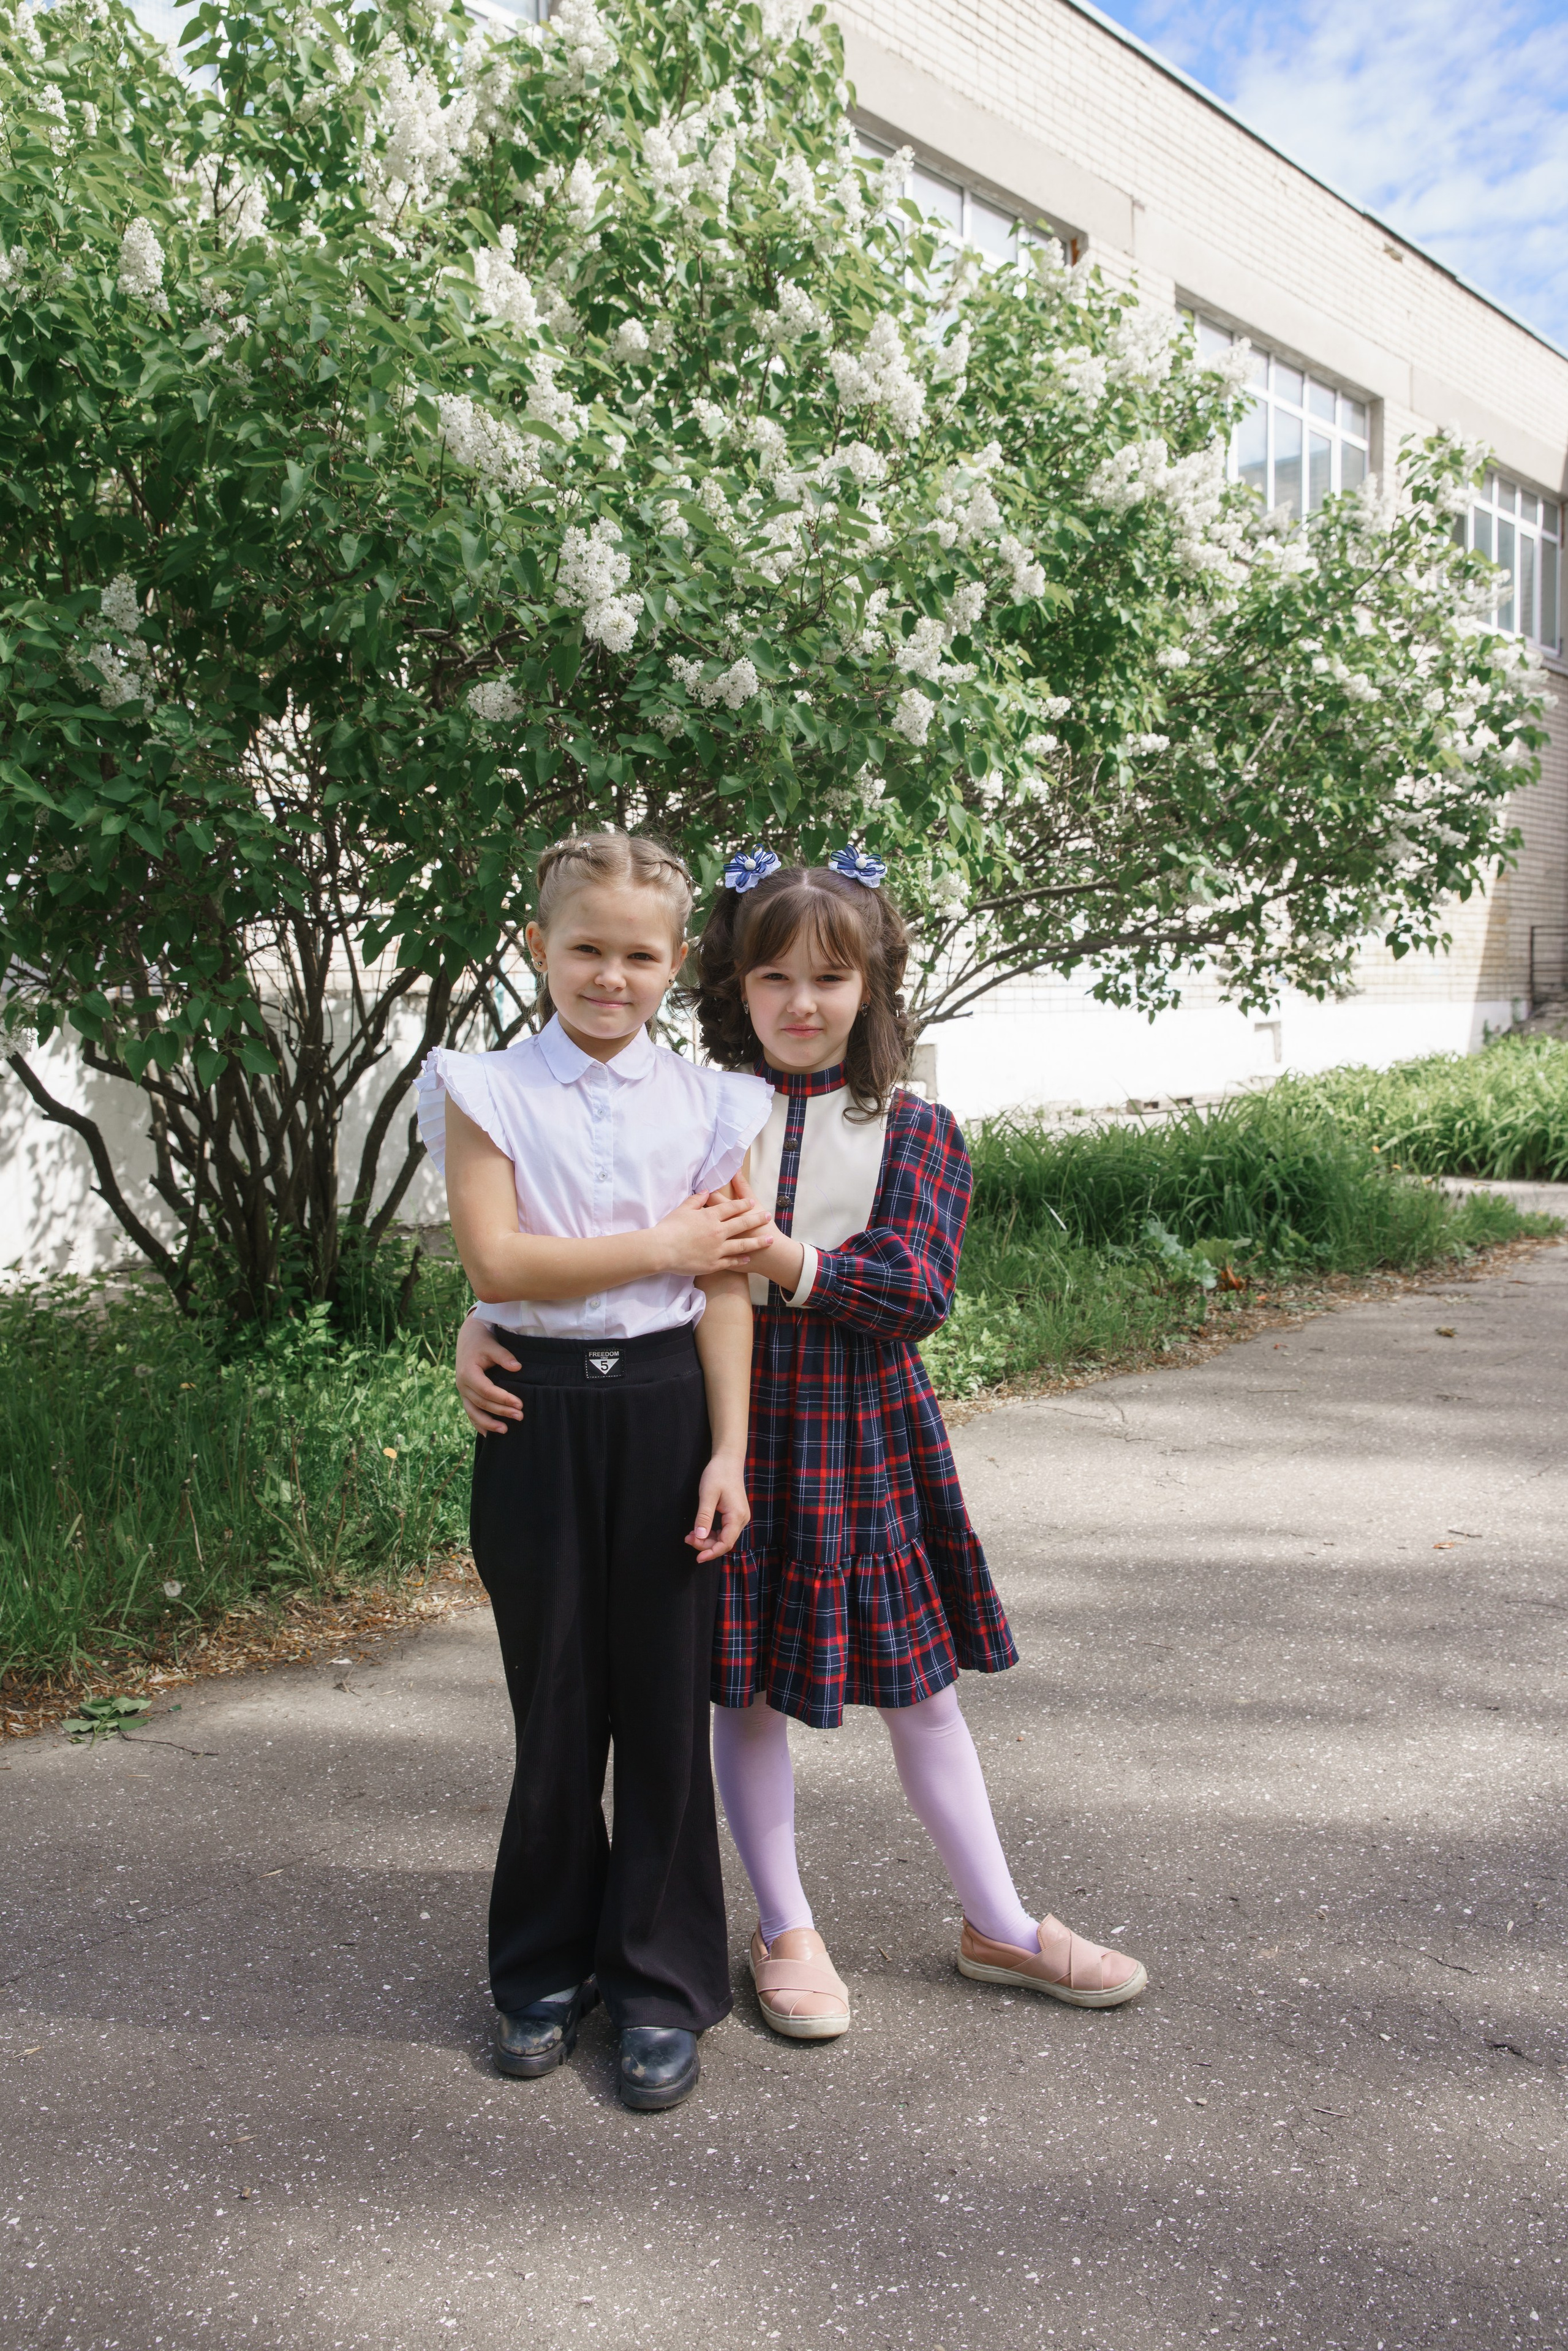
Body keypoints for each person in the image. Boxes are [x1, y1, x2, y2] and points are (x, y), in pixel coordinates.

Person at [458, 847, 1147, 2042]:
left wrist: (786, 1258)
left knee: (919, 1691)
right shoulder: (702, 1101)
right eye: (771, 975)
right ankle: (784, 1927)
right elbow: (586, 1226)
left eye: (828, 977)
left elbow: (917, 1288)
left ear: (872, 984)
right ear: (729, 980)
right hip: (711, 1417)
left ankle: (999, 1919)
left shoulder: (911, 1124)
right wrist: (481, 1311)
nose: (798, 1002)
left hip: (859, 1433)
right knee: (744, 1693)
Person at [419, 829, 772, 2111]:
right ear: (537, 949)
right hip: (538, 1415)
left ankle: (660, 1982)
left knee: (665, 1711)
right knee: (556, 1703)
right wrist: (661, 1238)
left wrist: (729, 1450)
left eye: (636, 954)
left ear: (675, 961)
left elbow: (722, 1286)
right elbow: (499, 1266)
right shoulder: (483, 1087)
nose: (608, 976)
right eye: (584, 949)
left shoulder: (713, 1101)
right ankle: (540, 1968)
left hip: (672, 1409)